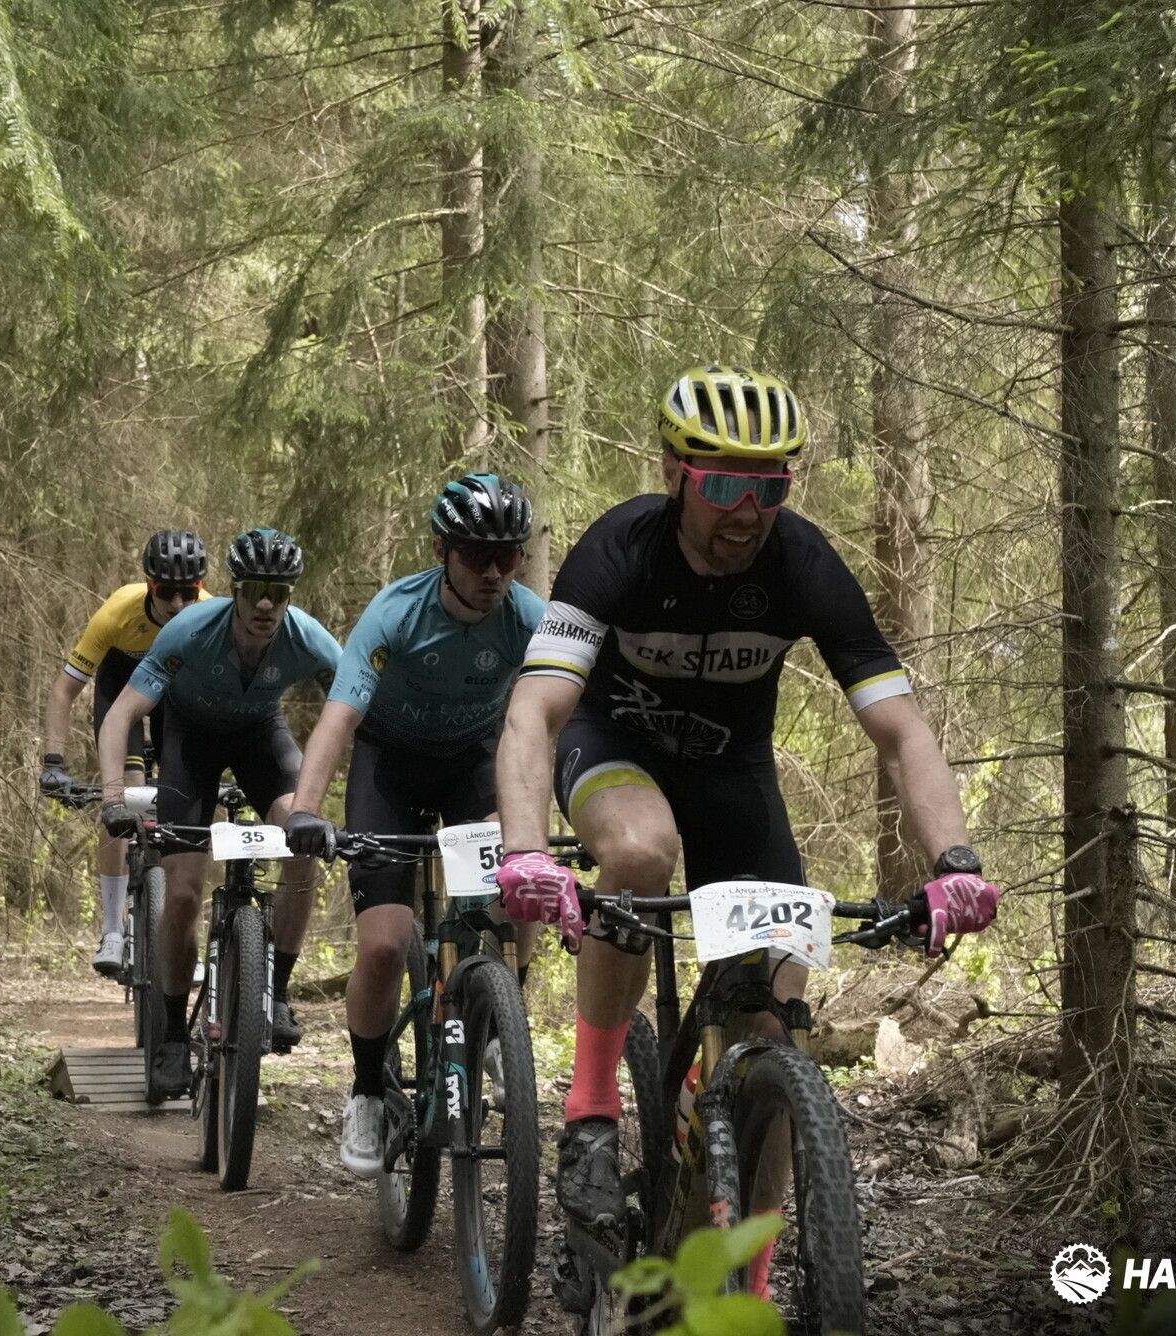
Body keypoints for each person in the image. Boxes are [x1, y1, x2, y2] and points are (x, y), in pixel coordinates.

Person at [493, 364, 1001, 1235]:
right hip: (615, 747)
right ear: (673, 472)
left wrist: (954, 862)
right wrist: (526, 850)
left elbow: (903, 732)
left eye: (770, 487)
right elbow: (534, 712)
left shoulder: (803, 562)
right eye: (724, 485)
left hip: (734, 776)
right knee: (640, 849)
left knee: (774, 1031)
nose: (747, 511)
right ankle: (591, 1114)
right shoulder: (619, 549)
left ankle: (749, 1280)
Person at [283, 475, 547, 1177]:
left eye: (508, 556)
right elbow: (339, 718)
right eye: (476, 555)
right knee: (382, 946)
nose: (493, 572)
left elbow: (561, 717)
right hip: (390, 769)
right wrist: (306, 809)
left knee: (522, 877)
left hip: (473, 764)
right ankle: (368, 1091)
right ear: (441, 551)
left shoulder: (528, 618)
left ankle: (505, 1023)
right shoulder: (396, 612)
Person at [98, 528, 342, 1097]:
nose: (266, 604)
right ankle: (172, 1036)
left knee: (302, 841)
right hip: (191, 744)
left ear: (290, 596)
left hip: (261, 736)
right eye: (255, 590)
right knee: (183, 893)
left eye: (278, 593)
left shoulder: (309, 638)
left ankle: (277, 991)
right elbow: (120, 715)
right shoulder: (189, 630)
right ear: (234, 590)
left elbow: (356, 707)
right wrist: (113, 798)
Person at [38, 530, 211, 978]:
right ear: (149, 584)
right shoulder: (117, 612)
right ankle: (113, 927)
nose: (178, 604)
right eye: (166, 592)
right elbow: (64, 690)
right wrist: (54, 762)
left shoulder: (211, 614)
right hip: (121, 690)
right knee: (125, 793)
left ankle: (180, 933)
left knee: (182, 796)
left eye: (188, 592)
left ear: (201, 587)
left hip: (176, 698)